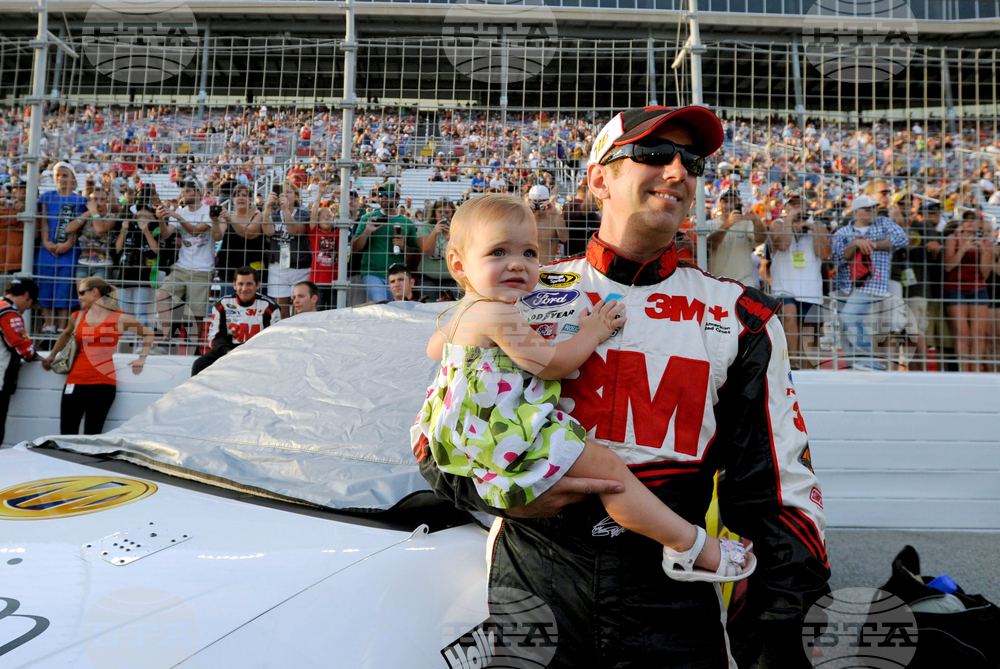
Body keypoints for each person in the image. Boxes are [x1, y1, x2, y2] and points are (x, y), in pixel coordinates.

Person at [417, 106, 829, 668]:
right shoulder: (517, 291)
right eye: (655, 155)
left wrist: (782, 640)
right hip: (537, 582)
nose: (678, 172)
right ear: (599, 178)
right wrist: (503, 495)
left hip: (670, 599)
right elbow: (438, 440)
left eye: (692, 161)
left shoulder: (742, 315)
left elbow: (778, 497)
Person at [417, 192, 755, 587]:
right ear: (459, 265)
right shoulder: (498, 314)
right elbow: (554, 362)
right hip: (504, 431)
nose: (518, 264)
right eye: (497, 253)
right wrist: (594, 329)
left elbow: (434, 349)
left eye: (529, 252)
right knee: (611, 473)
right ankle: (689, 545)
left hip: (466, 432)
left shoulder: (464, 310)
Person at [41, 276, 153, 435]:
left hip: (102, 383)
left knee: (92, 434)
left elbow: (148, 334)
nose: (79, 297)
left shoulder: (119, 318)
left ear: (94, 292)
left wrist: (142, 357)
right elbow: (66, 334)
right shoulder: (77, 316)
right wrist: (52, 355)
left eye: (81, 293)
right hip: (75, 381)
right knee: (66, 433)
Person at [831, 194, 909, 370]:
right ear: (857, 212)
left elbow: (903, 239)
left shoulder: (884, 223)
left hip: (873, 283)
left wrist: (869, 244)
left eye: (875, 208)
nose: (873, 211)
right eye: (869, 209)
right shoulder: (843, 232)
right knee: (846, 326)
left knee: (849, 318)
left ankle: (869, 361)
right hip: (846, 285)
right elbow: (836, 259)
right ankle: (856, 365)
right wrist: (855, 245)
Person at [768, 196, 831, 368]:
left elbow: (824, 254)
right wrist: (789, 220)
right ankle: (793, 362)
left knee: (810, 329)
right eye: (793, 204)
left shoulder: (818, 226)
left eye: (801, 204)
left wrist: (813, 228)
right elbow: (783, 245)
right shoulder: (778, 224)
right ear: (786, 207)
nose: (797, 207)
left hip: (810, 287)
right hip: (784, 286)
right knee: (789, 315)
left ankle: (808, 367)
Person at [156, 178, 215, 346]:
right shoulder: (180, 212)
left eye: (187, 191)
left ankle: (193, 346)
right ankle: (167, 339)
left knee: (196, 314)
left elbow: (196, 231)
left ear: (198, 193)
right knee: (162, 294)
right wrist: (162, 219)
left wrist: (175, 215)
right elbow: (166, 234)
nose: (183, 193)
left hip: (202, 269)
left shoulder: (208, 211)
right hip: (181, 267)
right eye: (183, 191)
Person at [191, 266, 280, 376]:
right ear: (234, 285)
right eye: (241, 284)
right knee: (199, 364)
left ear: (257, 285)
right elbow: (215, 337)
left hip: (257, 356)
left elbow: (272, 341)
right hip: (228, 352)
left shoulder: (270, 308)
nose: (244, 288)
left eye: (249, 284)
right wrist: (228, 352)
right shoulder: (222, 305)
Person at [35, 162, 87, 341]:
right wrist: (46, 242)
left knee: (64, 288)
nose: (61, 179)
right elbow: (44, 222)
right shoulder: (46, 197)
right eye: (58, 175)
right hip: (46, 250)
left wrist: (67, 244)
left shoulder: (80, 200)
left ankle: (62, 329)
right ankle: (48, 326)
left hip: (69, 251)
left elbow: (79, 227)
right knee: (46, 285)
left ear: (72, 178)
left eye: (65, 175)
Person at [942, 212, 994, 372]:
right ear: (962, 223)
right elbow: (948, 266)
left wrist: (985, 253)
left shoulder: (986, 243)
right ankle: (964, 372)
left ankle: (976, 372)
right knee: (962, 333)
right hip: (955, 288)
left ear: (981, 224)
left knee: (979, 333)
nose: (970, 222)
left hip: (978, 289)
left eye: (975, 220)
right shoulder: (953, 239)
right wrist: (963, 249)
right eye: (967, 219)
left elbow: (984, 274)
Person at [351, 183, 420, 302]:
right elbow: (354, 248)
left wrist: (404, 246)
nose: (384, 197)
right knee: (381, 304)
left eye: (389, 194)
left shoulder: (407, 222)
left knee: (397, 308)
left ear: (398, 198)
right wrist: (367, 230)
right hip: (372, 273)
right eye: (381, 194)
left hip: (397, 275)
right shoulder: (368, 218)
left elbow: (415, 251)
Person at [262, 171, 311, 319]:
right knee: (280, 308)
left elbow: (296, 230)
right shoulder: (274, 214)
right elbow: (268, 231)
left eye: (289, 192)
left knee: (300, 309)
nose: (285, 195)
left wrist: (285, 209)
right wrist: (267, 208)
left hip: (299, 266)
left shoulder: (304, 214)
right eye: (282, 192)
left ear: (296, 196)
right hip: (278, 267)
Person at [0, 278, 38, 445]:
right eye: (30, 302)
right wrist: (37, 356)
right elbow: (21, 346)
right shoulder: (8, 313)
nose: (28, 307)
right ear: (26, 295)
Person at [706, 187, 767, 287]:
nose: (729, 205)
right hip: (718, 281)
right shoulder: (710, 224)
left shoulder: (747, 223)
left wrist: (756, 220)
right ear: (720, 204)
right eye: (726, 202)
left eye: (732, 201)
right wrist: (728, 224)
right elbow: (710, 244)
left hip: (744, 281)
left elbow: (761, 239)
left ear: (739, 202)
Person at [115, 200, 160, 329]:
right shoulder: (128, 228)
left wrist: (146, 231)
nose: (141, 217)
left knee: (141, 313)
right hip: (125, 274)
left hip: (145, 276)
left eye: (145, 215)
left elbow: (156, 250)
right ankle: (123, 341)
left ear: (152, 217)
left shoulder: (156, 229)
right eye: (139, 215)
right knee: (123, 310)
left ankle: (141, 343)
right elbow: (117, 249)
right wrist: (123, 231)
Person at [526, 185, 567, 264]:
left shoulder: (554, 219)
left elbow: (564, 238)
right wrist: (525, 212)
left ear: (548, 201)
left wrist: (555, 213)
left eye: (542, 201)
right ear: (529, 201)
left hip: (547, 266)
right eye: (535, 201)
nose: (538, 205)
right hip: (527, 266)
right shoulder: (524, 219)